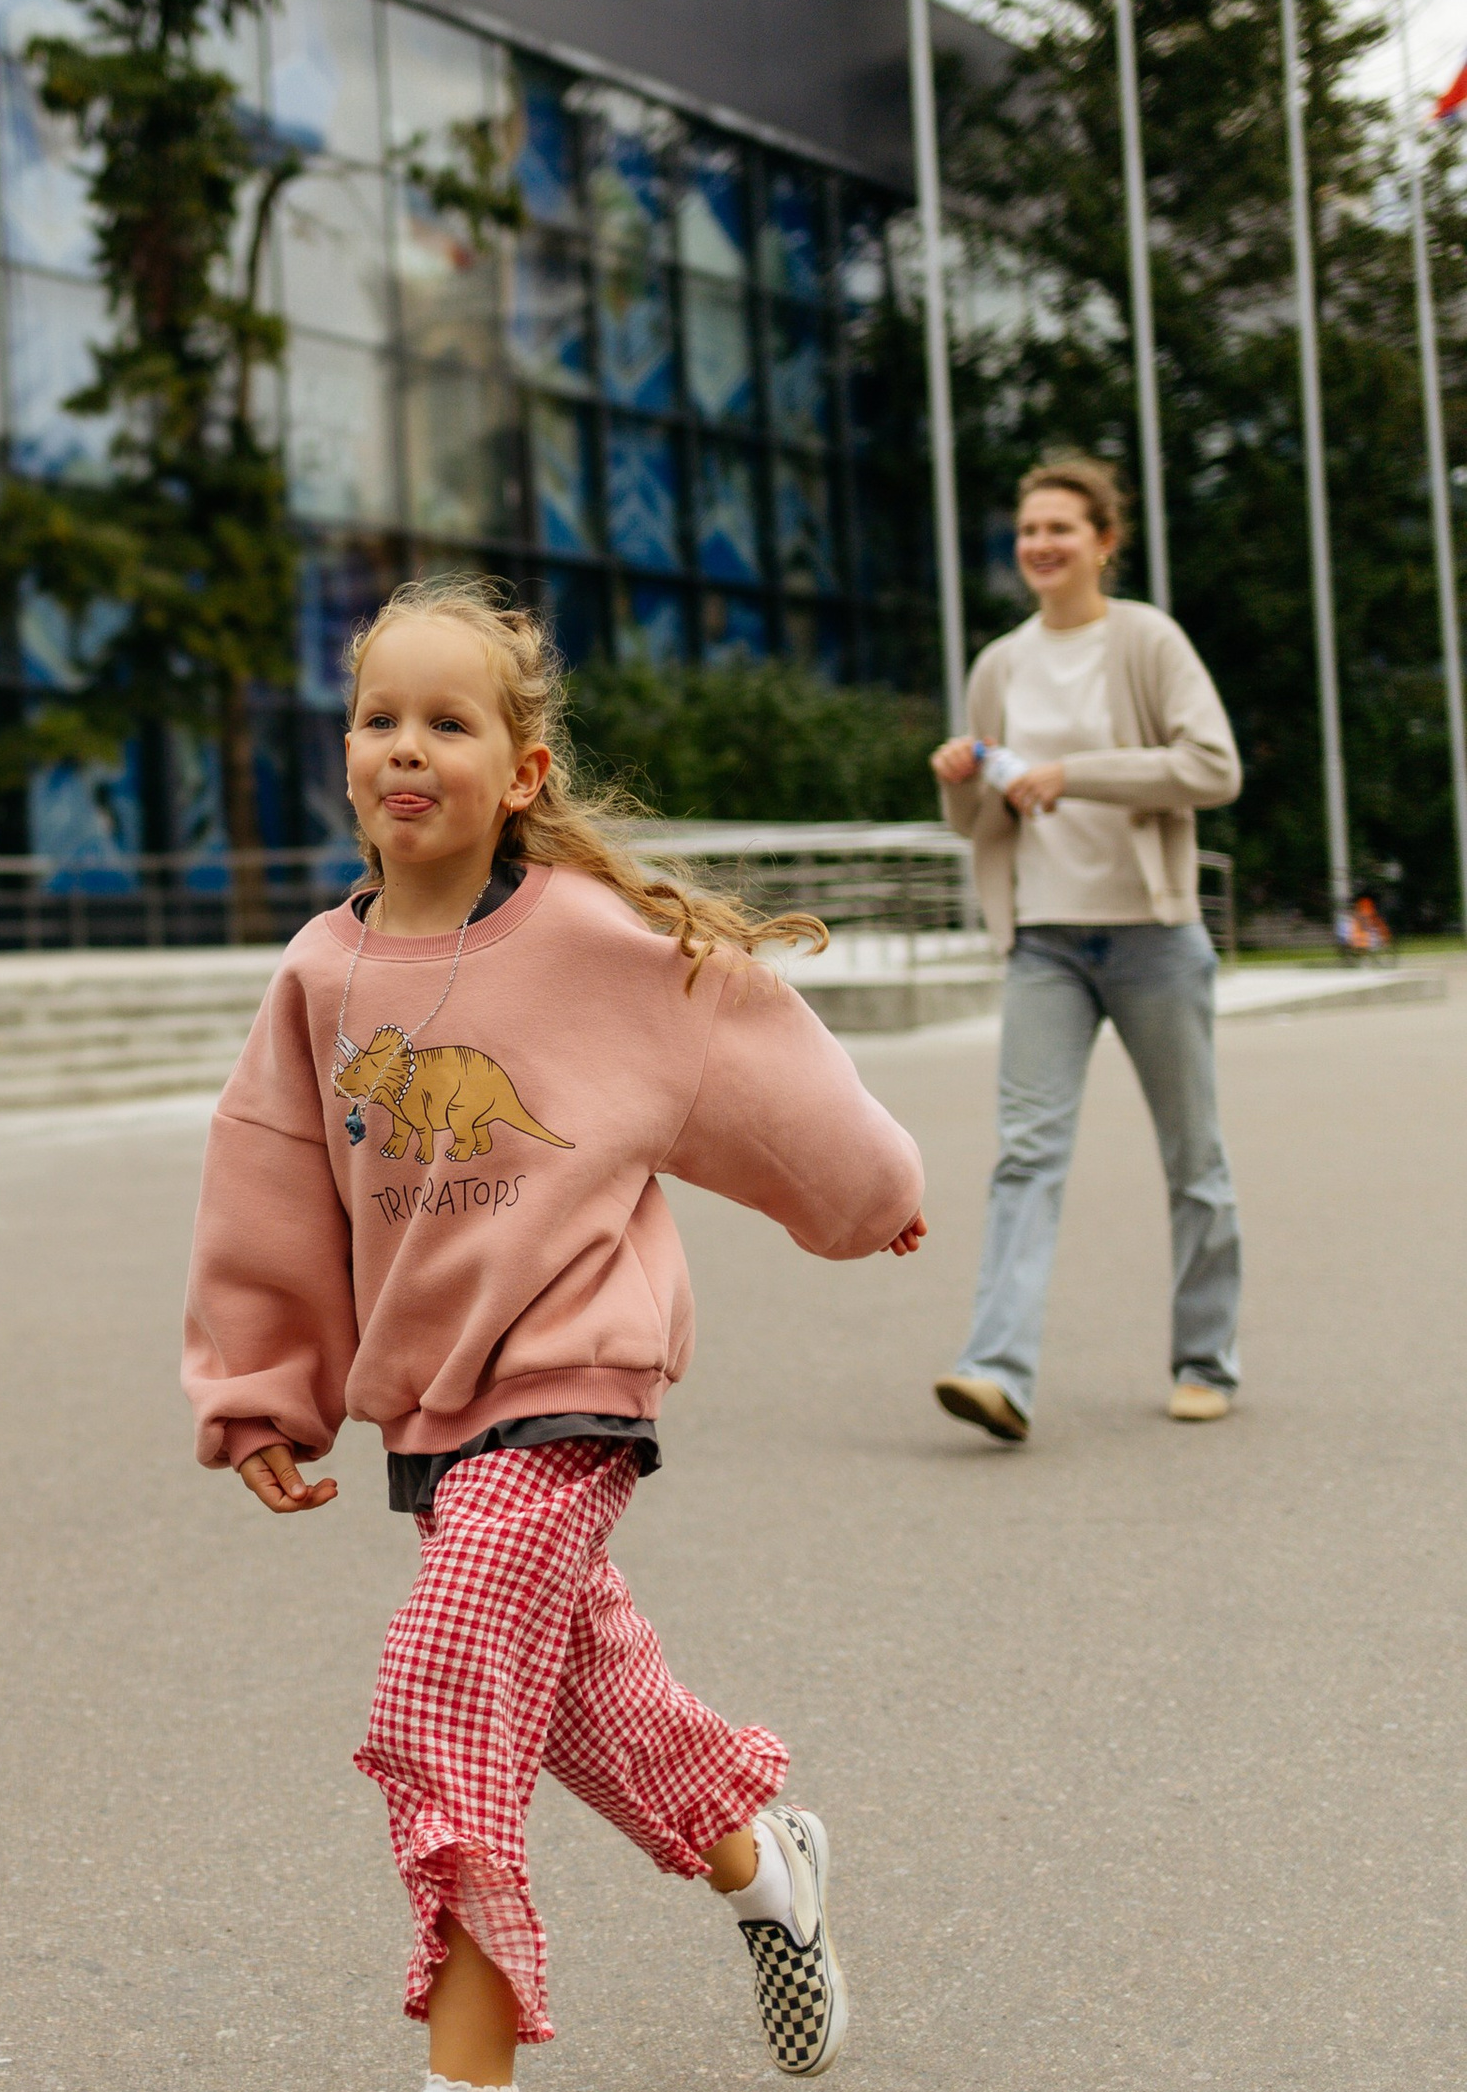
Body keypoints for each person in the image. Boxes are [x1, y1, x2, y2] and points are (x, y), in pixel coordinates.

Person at [183, 579, 926, 2087]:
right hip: (436, 1410)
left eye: (447, 722)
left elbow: (747, 1050)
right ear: (344, 756)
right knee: (593, 1700)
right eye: (380, 718)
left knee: (447, 1689)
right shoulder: (324, 976)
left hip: (575, 1376)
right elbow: (271, 1181)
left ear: (519, 773)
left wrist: (870, 1194)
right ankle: (766, 1866)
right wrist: (264, 1391)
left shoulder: (591, 939)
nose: (408, 748)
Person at [929, 455, 1246, 1444]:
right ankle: (995, 1370)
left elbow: (1212, 767)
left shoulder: (1146, 639)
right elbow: (981, 810)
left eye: (1061, 527)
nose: (1040, 545)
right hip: (1045, 942)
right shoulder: (1000, 663)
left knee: (1191, 1156)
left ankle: (1205, 1359)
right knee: (1025, 1158)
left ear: (1105, 540)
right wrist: (956, 779)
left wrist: (1076, 774)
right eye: (1028, 529)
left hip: (1154, 935)